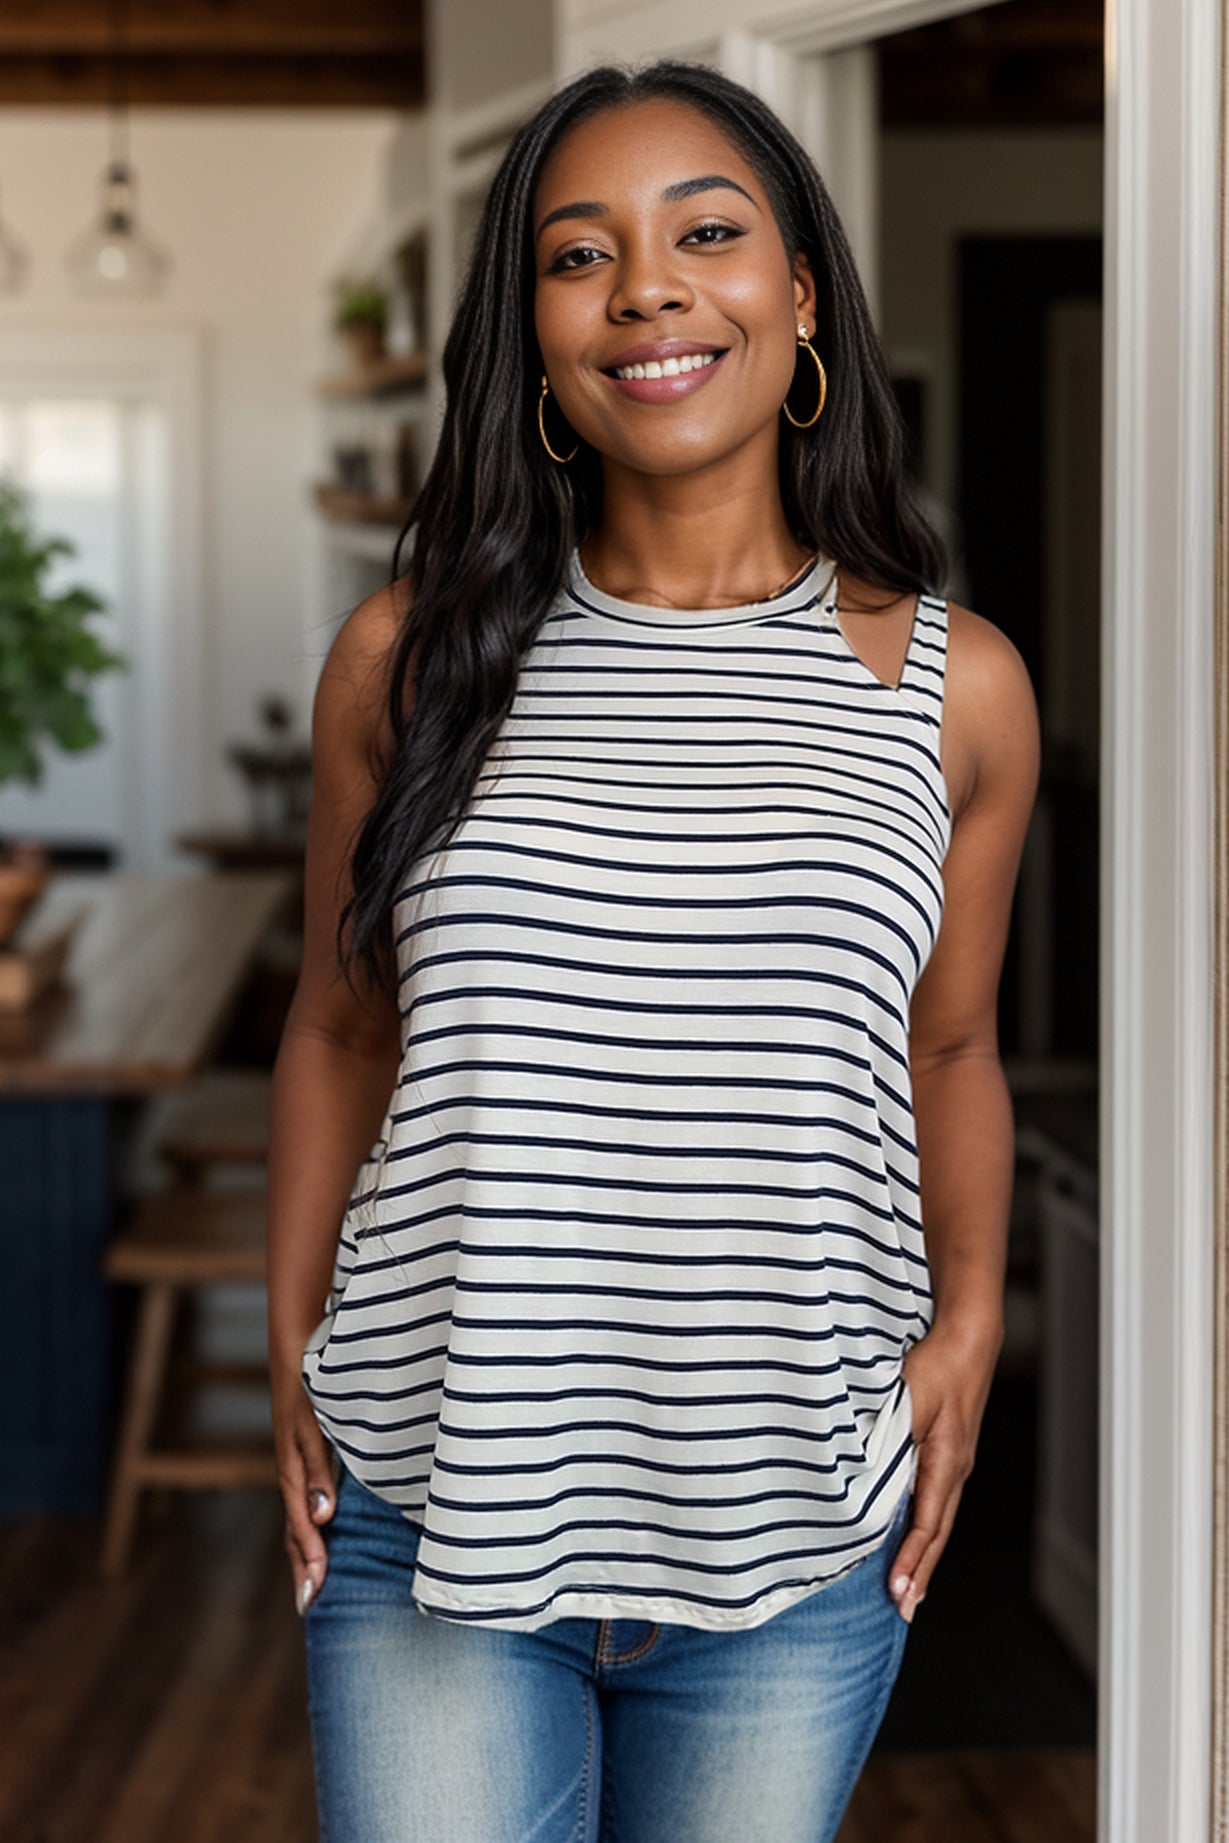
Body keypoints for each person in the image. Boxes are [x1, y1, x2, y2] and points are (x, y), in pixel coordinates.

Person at [268, 56, 1040, 1843]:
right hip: (433, 1495)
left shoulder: (946, 686)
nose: (646, 290)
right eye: (577, 254)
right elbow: (332, 1029)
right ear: (532, 339)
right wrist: (296, 1333)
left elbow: (951, 1053)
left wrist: (978, 1316)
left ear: (799, 296)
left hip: (790, 1530)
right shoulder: (410, 658)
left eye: (706, 232)